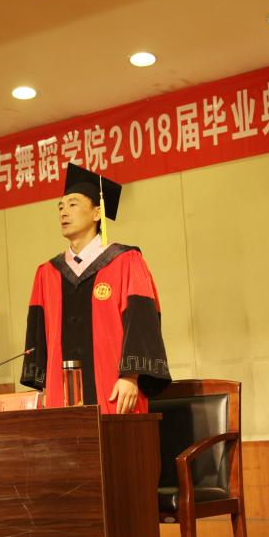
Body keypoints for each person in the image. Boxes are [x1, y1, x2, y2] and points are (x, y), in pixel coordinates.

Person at [21, 164, 170, 414]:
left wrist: (131, 376)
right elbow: (38, 336)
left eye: (73, 204)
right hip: (59, 395)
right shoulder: (47, 273)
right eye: (60, 206)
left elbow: (141, 322)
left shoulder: (125, 261)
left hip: (114, 389)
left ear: (97, 212)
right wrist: (43, 387)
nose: (63, 212)